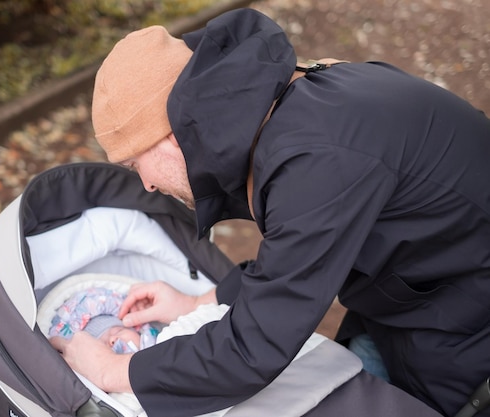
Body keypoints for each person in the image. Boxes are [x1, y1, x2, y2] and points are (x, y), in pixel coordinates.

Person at [50, 7, 490, 417]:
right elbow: (300, 247)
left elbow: (251, 348)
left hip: (465, 330)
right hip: (411, 294)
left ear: (171, 134)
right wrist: (198, 302)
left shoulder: (316, 158)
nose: (145, 184)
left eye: (134, 164)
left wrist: (112, 371)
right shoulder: (295, 99)